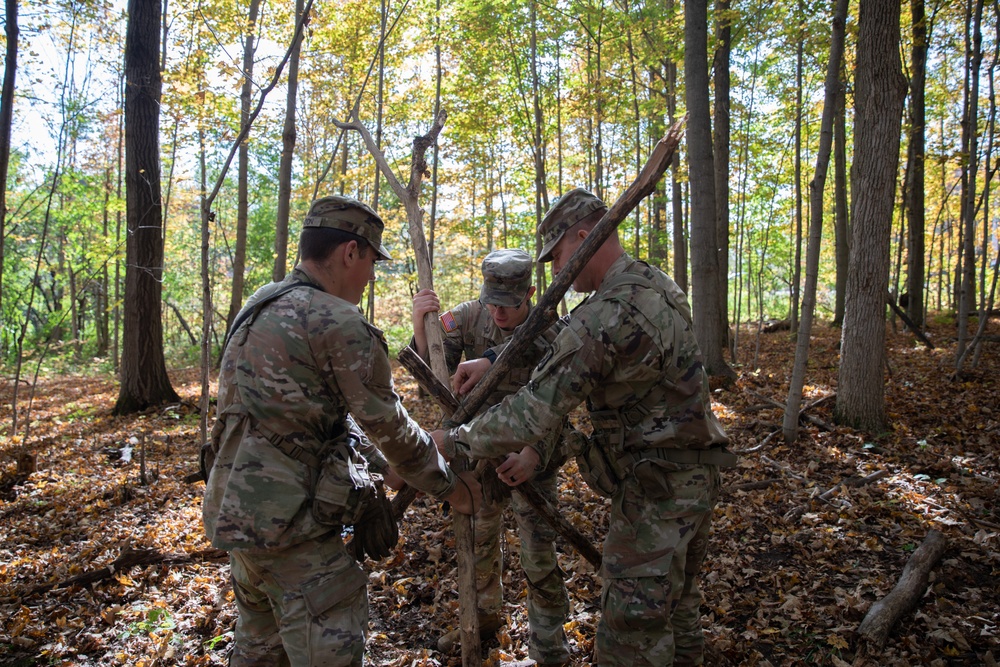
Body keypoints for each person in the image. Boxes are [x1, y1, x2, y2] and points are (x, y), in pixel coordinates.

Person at [436, 188, 734, 667]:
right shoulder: (655, 284)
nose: (555, 269)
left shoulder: (604, 314)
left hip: (655, 492)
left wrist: (454, 441)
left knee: (630, 642)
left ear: (583, 236)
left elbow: (535, 407)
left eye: (556, 255)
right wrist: (492, 358)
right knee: (680, 615)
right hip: (696, 480)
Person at [202, 194, 481, 667]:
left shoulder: (260, 302)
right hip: (293, 536)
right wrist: (451, 488)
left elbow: (303, 417)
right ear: (350, 252)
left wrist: (379, 470)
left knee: (259, 652)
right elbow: (388, 425)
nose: (371, 274)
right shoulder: (338, 321)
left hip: (238, 519)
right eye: (371, 260)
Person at [410, 248, 571, 666]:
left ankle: (549, 642)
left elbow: (563, 404)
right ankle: (483, 619)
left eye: (509, 304)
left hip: (531, 458)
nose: (498, 312)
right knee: (479, 543)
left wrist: (534, 453)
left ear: (530, 294)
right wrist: (420, 321)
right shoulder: (467, 316)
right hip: (476, 456)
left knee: (538, 554)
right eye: (492, 302)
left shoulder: (554, 332)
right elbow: (433, 366)